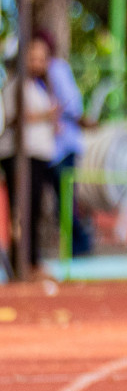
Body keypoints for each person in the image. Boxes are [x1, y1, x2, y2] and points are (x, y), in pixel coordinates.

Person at [1, 36, 59, 270]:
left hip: (37, 156)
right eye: (32, 58)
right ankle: (22, 263)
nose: (38, 63)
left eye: (42, 58)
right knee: (22, 210)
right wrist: (45, 116)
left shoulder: (39, 88)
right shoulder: (16, 86)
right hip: (19, 156)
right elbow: (12, 119)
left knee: (34, 209)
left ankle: (31, 261)